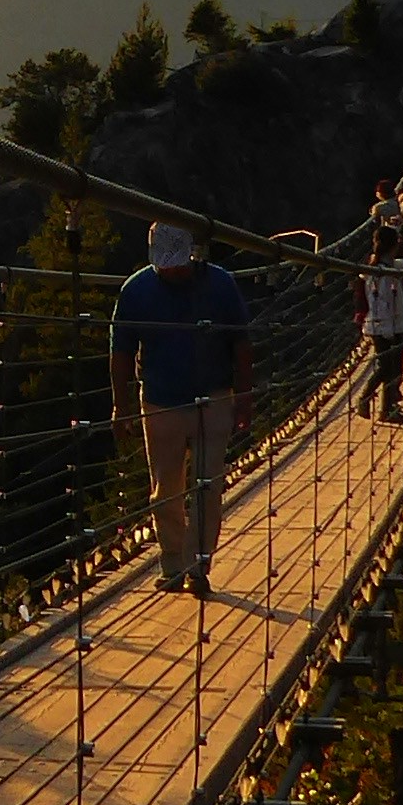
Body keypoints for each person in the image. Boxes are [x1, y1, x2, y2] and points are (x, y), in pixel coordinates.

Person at [109, 216, 253, 597]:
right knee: (166, 489)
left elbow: (241, 343)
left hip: (214, 398)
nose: (172, 269)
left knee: (209, 486)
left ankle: (198, 565)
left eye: (178, 260)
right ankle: (173, 561)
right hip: (160, 401)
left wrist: (244, 396)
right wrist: (120, 406)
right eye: (166, 262)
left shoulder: (221, 284)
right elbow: (121, 351)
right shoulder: (135, 290)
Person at [355, 222, 403, 419]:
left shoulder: (385, 267)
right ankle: (367, 401)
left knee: (393, 369)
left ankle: (387, 408)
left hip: (386, 326)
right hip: (384, 327)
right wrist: (388, 330)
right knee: (387, 368)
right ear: (395, 245)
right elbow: (380, 304)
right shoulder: (381, 273)